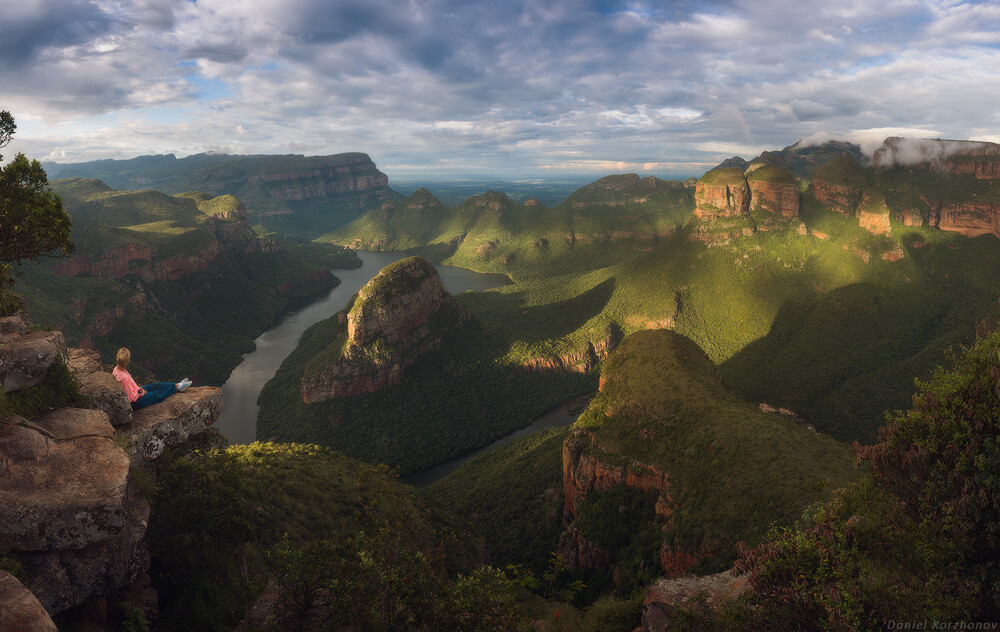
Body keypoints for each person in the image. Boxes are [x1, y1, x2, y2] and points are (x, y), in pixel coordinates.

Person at [112, 347, 192, 410]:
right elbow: (131, 398)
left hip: (136, 391)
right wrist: (142, 394)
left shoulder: (117, 368)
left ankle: (177, 385)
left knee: (155, 385)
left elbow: (129, 388)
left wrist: (139, 389)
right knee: (157, 394)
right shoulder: (124, 378)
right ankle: (178, 387)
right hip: (137, 402)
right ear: (127, 361)